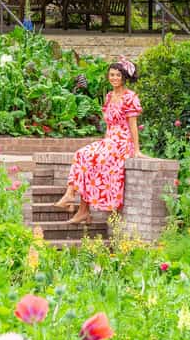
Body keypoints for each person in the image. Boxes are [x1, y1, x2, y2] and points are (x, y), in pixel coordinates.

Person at [52, 58, 142, 224]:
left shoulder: (130, 97)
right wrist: (105, 143)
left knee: (93, 159)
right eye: (111, 75)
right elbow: (109, 124)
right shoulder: (109, 96)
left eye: (117, 75)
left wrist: (136, 150)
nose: (114, 78)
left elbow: (133, 126)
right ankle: (74, 198)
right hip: (109, 140)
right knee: (81, 154)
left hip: (122, 143)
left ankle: (80, 207)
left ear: (124, 77)